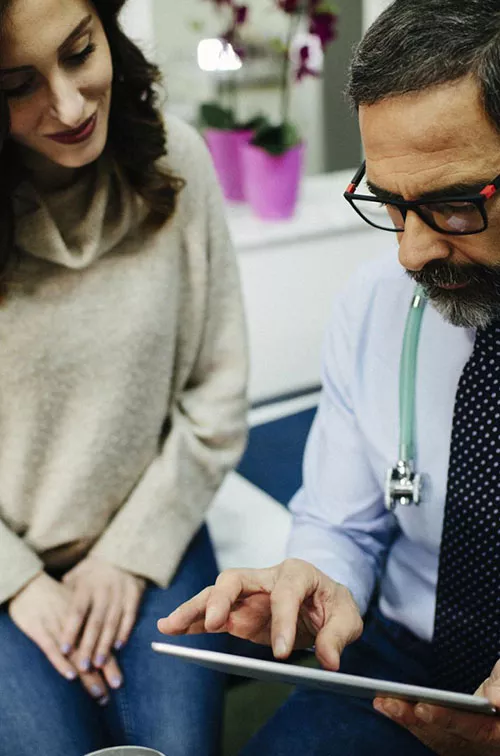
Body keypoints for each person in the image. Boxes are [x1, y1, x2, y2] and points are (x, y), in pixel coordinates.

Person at [159, 1, 500, 754]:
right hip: (403, 668)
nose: (411, 253)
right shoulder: (378, 300)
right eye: (389, 202)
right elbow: (341, 518)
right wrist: (316, 575)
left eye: (449, 205)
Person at [0, 0, 248, 754]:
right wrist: (17, 581)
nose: (70, 105)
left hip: (150, 526)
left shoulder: (181, 160)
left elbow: (217, 393)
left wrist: (126, 554)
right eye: (16, 84)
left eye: (80, 52)